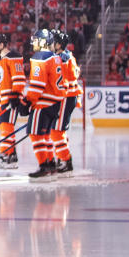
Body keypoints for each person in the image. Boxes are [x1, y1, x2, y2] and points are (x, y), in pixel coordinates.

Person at [19, 29, 65, 182]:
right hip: (55, 102)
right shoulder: (55, 57)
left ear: (44, 41)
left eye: (38, 40)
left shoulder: (40, 57)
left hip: (43, 103)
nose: (35, 42)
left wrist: (28, 101)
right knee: (46, 136)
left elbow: (37, 85)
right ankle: (51, 164)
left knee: (36, 134)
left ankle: (44, 165)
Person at [0, 33, 25, 169]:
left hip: (10, 98)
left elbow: (19, 78)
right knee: (4, 128)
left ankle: (7, 155)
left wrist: (15, 95)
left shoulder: (13, 57)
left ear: (1, 45)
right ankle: (10, 154)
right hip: (0, 100)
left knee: (7, 127)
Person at [51, 30, 80, 176]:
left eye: (53, 42)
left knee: (56, 131)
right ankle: (62, 158)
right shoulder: (68, 56)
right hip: (68, 97)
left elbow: (62, 81)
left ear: (59, 44)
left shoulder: (62, 58)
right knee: (59, 130)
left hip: (65, 97)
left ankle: (65, 160)